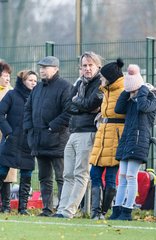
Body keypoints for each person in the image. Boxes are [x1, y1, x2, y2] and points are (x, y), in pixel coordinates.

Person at [53, 52, 103, 218]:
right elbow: (69, 105)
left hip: (88, 132)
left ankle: (69, 211)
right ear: (80, 68)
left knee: (80, 174)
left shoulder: (100, 83)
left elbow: (92, 103)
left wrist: (79, 103)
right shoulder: (79, 83)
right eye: (84, 66)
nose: (87, 69)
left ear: (97, 66)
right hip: (73, 132)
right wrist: (81, 105)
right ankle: (61, 210)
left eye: (90, 65)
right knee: (67, 174)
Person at [110, 64, 156, 221]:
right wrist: (127, 91)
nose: (133, 93)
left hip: (139, 140)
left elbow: (143, 107)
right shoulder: (132, 98)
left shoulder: (152, 98)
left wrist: (143, 89)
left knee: (131, 176)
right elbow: (119, 108)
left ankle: (127, 210)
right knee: (123, 176)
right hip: (127, 140)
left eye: (134, 89)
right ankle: (117, 209)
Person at [23, 56, 72, 217]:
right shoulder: (37, 88)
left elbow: (68, 112)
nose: (42, 70)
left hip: (57, 141)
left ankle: (63, 209)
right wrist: (29, 129)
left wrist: (52, 127)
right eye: (41, 67)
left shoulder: (65, 87)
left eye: (46, 67)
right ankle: (47, 209)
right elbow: (28, 109)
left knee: (61, 177)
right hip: (38, 140)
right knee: (44, 178)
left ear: (56, 69)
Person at [89, 58, 125, 220]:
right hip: (102, 135)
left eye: (103, 77)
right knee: (94, 173)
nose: (100, 80)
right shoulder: (106, 90)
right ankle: (95, 211)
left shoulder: (124, 91)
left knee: (111, 177)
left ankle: (103, 212)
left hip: (116, 138)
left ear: (110, 77)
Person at [0, 70, 37, 215]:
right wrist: (8, 132)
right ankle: (4, 206)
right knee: (2, 172)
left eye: (35, 81)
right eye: (30, 80)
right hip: (11, 141)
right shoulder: (12, 95)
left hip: (29, 142)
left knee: (27, 175)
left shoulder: (37, 97)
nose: (33, 83)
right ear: (23, 81)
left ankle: (23, 208)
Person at [0, 61, 17, 213]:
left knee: (7, 171)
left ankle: (6, 206)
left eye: (8, 76)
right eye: (4, 76)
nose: (7, 79)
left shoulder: (11, 92)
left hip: (6, 136)